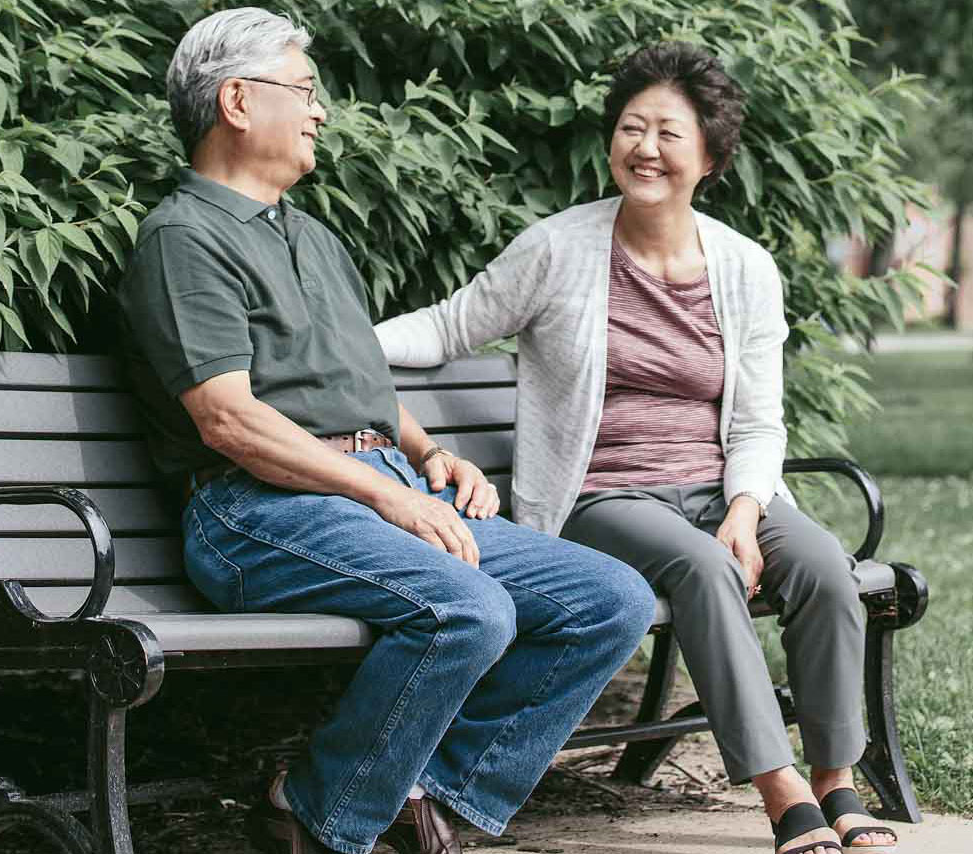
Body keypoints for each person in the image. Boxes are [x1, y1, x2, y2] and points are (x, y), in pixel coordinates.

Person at [117, 9, 656, 854]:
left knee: (610, 599)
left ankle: (416, 796)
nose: (321, 111)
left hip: (372, 491)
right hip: (256, 514)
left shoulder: (316, 237)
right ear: (236, 101)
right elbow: (227, 419)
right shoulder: (182, 239)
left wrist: (430, 455)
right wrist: (383, 494)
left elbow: (361, 385)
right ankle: (323, 816)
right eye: (304, 90)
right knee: (467, 609)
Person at [375, 42, 900, 854]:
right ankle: (782, 792)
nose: (645, 148)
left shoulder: (746, 269)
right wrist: (344, 346)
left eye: (668, 133)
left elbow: (760, 422)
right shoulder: (558, 249)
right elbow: (452, 324)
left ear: (711, 157)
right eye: (631, 128)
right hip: (603, 497)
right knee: (702, 566)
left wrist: (744, 505)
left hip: (715, 488)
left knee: (827, 566)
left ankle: (836, 780)